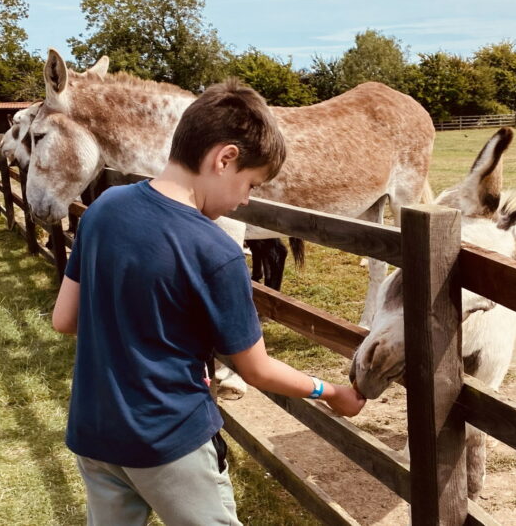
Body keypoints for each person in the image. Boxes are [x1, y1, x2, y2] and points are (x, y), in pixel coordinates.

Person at [51, 79, 366, 525]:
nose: (245, 200)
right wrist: (329, 390)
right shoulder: (214, 251)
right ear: (225, 158)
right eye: (251, 184)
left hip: (94, 434)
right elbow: (256, 369)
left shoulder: (104, 208)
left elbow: (64, 319)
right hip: (168, 440)